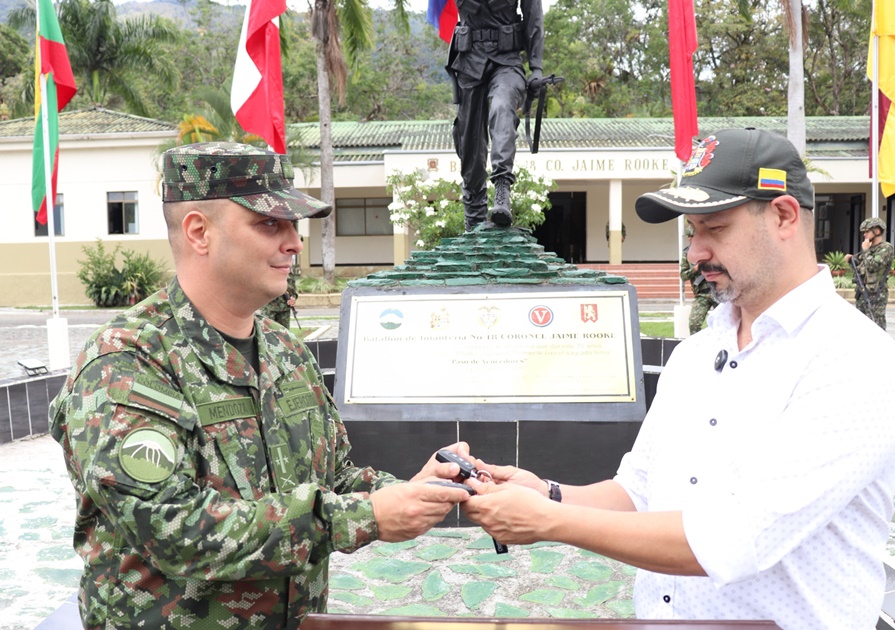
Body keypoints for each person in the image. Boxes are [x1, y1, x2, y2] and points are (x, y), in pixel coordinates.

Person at [460, 129, 895, 630]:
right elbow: (638, 492)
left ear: (784, 216)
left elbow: (734, 541)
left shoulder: (855, 361)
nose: (695, 252)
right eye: (692, 232)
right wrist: (546, 493)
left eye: (714, 229)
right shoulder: (695, 354)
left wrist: (548, 522)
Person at [48, 142, 474, 629]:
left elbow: (332, 479)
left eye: (293, 224)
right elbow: (174, 528)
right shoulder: (127, 363)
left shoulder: (285, 350)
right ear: (199, 232)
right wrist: (362, 516)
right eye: (270, 224)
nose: (294, 242)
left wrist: (412, 491)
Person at [447, 0, 544, 230]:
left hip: (506, 61)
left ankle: (502, 189)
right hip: (469, 62)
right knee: (469, 140)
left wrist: (536, 66)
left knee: (502, 105)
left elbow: (533, 15)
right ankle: (473, 217)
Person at [845, 216, 894, 329]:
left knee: (876, 326)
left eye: (867, 232)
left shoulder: (886, 248)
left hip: (876, 294)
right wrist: (851, 259)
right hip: (863, 293)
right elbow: (861, 265)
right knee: (862, 326)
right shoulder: (870, 248)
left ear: (876, 231)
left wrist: (866, 250)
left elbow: (872, 266)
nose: (864, 235)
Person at [679, 223, 718, 334]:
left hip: (718, 292)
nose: (690, 238)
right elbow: (683, 275)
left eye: (693, 236)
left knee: (726, 322)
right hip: (702, 294)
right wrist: (695, 269)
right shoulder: (687, 254)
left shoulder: (713, 249)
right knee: (694, 324)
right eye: (689, 236)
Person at [260, 254, 299, 328]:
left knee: (283, 332)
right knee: (267, 331)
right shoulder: (266, 272)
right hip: (269, 308)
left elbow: (293, 291)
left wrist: (293, 298)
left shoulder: (289, 274)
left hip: (284, 309)